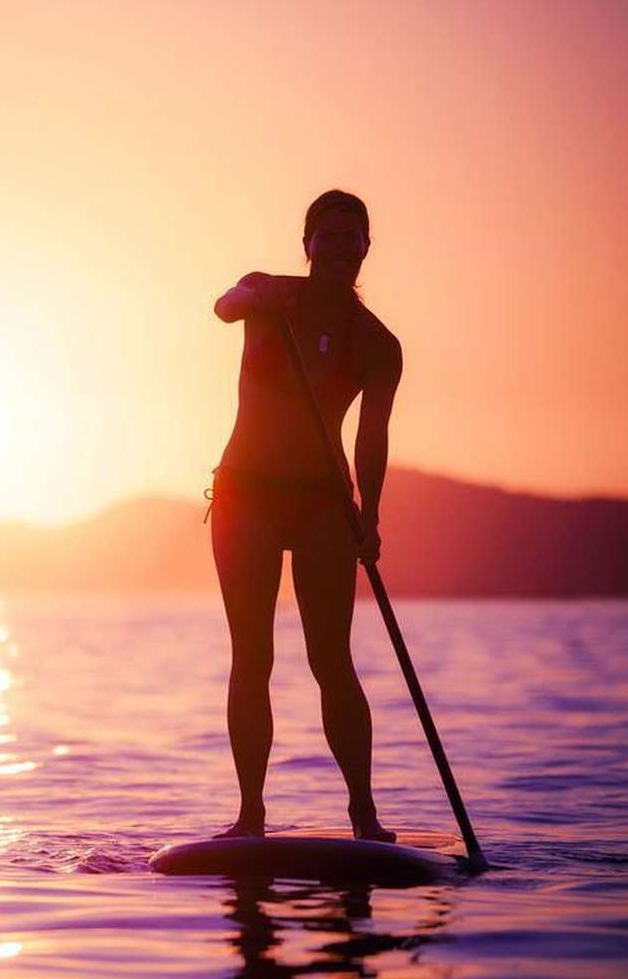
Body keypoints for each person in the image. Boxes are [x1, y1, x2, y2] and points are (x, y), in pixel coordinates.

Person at [209, 189, 401, 841]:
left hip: (323, 503)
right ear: (308, 243)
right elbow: (223, 306)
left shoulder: (378, 344)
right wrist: (247, 297)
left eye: (354, 237)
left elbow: (371, 438)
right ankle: (250, 816)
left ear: (366, 249)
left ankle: (364, 816)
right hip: (246, 496)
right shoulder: (271, 298)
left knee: (331, 659)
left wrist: (368, 517)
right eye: (330, 235)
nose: (342, 247)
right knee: (252, 656)